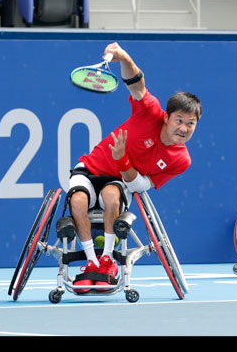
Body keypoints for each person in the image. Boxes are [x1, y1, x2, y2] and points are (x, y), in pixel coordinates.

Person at [64, 42, 202, 292]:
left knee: (110, 196)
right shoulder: (150, 113)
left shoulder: (181, 160)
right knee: (77, 202)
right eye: (179, 120)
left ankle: (106, 260)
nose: (183, 128)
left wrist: (121, 161)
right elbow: (137, 85)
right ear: (167, 117)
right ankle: (90, 261)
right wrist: (125, 58)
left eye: (190, 124)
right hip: (89, 168)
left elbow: (140, 185)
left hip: (116, 180)